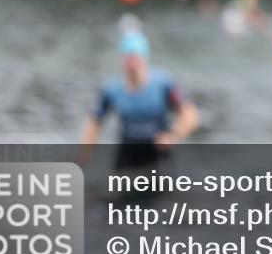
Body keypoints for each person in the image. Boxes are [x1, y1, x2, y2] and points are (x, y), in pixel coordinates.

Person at [81, 27, 199, 170]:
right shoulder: (112, 89)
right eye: (128, 59)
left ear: (144, 58)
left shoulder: (162, 84)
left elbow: (190, 114)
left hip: (158, 154)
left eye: (136, 58)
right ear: (122, 60)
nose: (132, 64)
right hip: (128, 153)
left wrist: (173, 135)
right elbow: (95, 122)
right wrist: (84, 156)